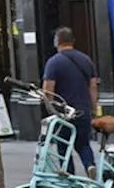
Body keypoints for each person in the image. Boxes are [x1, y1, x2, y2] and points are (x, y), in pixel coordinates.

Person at [42, 27, 99, 179]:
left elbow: (48, 90)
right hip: (84, 110)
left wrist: (50, 109)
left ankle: (70, 179)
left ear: (57, 42)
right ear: (72, 41)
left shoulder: (53, 62)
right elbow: (93, 87)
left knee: (63, 146)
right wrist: (93, 109)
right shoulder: (86, 60)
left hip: (64, 113)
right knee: (83, 144)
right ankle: (90, 165)